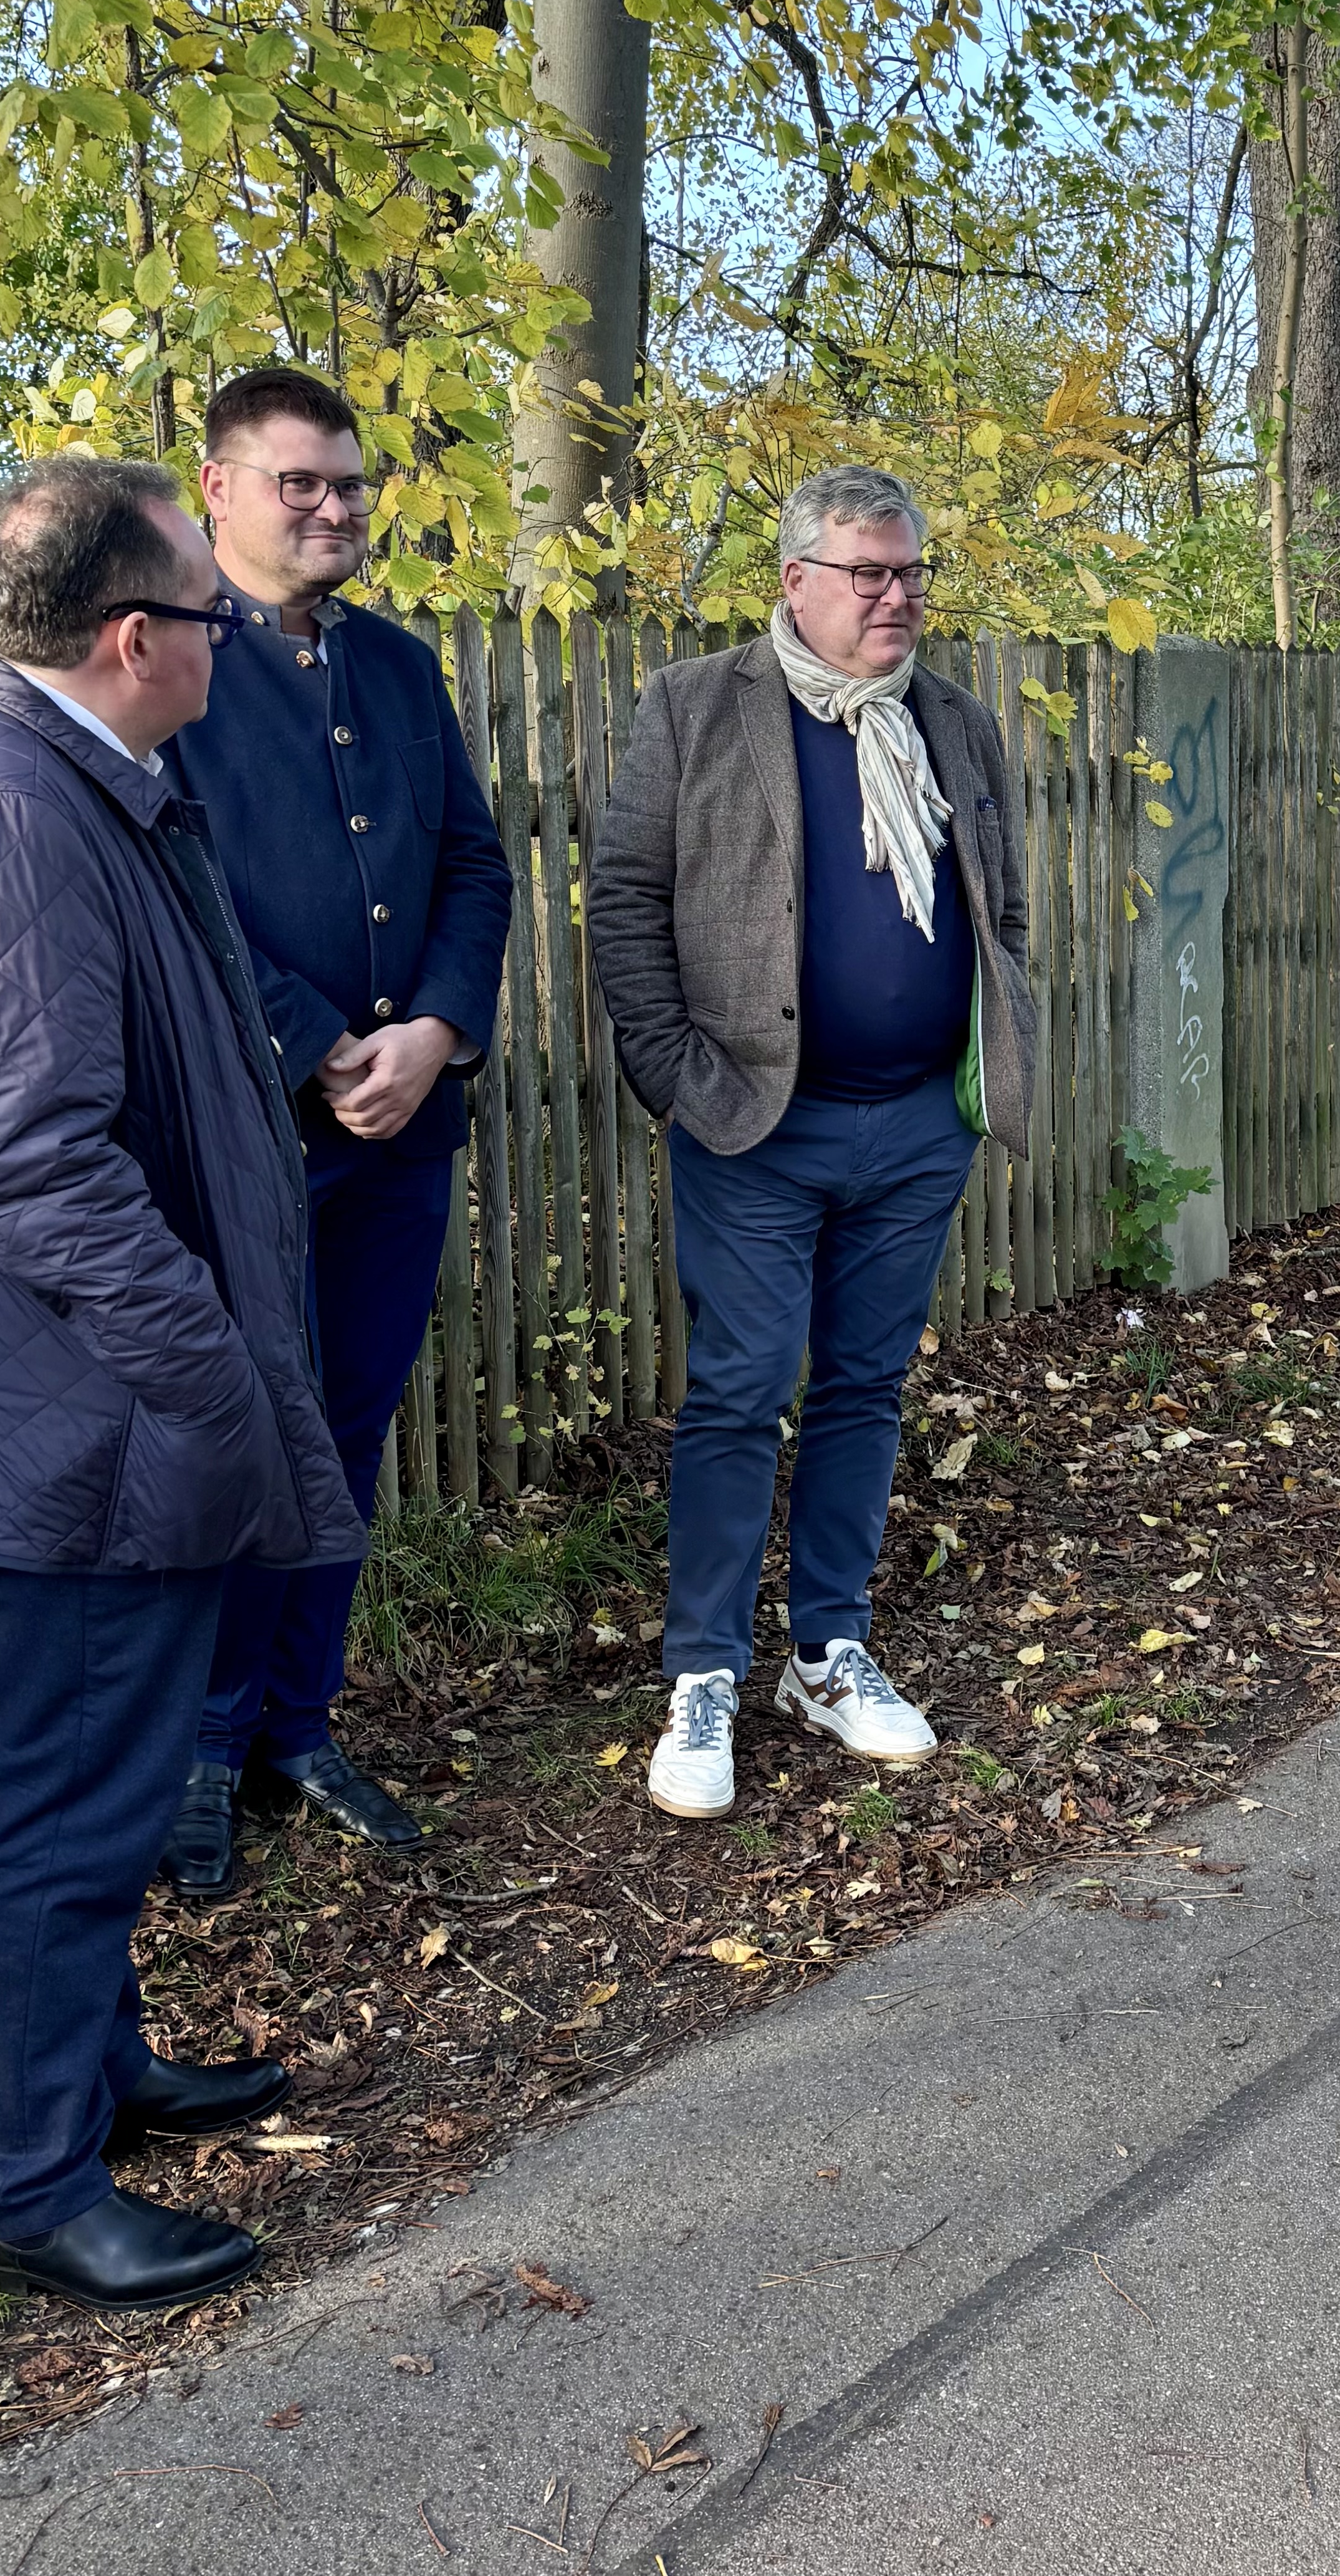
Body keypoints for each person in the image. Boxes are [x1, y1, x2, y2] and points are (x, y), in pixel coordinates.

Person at [0, 458, 362, 2308]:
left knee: (103, 1772)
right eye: (208, 615)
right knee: (59, 1793)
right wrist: (207, 1370)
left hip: (95, 1407)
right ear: (138, 639)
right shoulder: (4, 814)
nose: (231, 636)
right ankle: (30, 2179)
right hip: (82, 1421)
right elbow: (25, 1157)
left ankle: (96, 2069)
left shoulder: (55, 774)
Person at [586, 464, 1037, 1824]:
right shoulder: (696, 705)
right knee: (737, 1390)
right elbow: (625, 896)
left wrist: (985, 1044)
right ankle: (706, 1670)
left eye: (911, 574)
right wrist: (676, 1076)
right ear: (797, 582)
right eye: (870, 574)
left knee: (864, 1385)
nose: (898, 597)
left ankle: (828, 1650)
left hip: (915, 1128)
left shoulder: (951, 721)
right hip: (753, 1123)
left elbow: (1000, 901)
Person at [157, 368, 513, 1895]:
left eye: (351, 483)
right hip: (250, 1132)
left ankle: (300, 1722)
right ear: (219, 488)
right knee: (247, 1436)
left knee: (352, 1426)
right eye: (299, 481)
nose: (333, 506)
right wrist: (322, 1049)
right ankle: (199, 1749)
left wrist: (433, 1033)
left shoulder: (399, 666)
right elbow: (181, 890)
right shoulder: (170, 663)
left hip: (403, 1130)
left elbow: (476, 866)